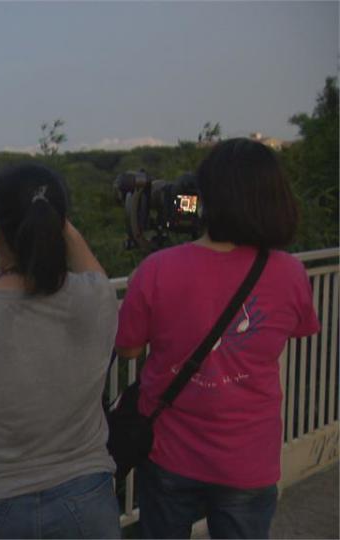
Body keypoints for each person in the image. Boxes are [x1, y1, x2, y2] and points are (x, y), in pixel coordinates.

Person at [116, 138, 320, 539]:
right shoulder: (290, 273)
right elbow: (299, 329)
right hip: (248, 459)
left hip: (169, 452)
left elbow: (129, 348)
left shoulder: (158, 270)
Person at [0, 164, 121, 539]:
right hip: (85, 499)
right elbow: (91, 270)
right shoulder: (96, 298)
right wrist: (53, 219)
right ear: (60, 225)